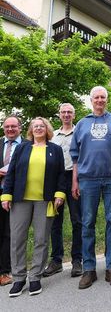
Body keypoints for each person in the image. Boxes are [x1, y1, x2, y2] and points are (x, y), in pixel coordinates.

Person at [1, 117, 65, 297]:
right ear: (30, 130)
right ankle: (19, 278)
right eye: (35, 126)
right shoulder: (22, 148)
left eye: (41, 126)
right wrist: (6, 195)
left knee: (41, 239)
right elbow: (11, 172)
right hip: (20, 200)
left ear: (47, 129)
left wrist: (60, 194)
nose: (38, 128)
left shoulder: (55, 150)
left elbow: (61, 174)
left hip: (44, 200)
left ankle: (35, 276)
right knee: (17, 239)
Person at [70, 86, 111, 289]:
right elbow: (75, 156)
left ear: (107, 100)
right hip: (87, 180)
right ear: (91, 100)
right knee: (87, 222)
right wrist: (75, 181)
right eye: (96, 97)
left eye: (103, 97)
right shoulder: (82, 124)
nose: (100, 100)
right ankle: (89, 269)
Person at [43, 103, 82, 278]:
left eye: (69, 112)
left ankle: (77, 260)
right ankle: (56, 260)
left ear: (73, 115)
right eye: (63, 112)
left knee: (77, 221)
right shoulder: (52, 137)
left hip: (74, 179)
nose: (66, 114)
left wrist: (77, 181)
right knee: (55, 221)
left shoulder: (79, 132)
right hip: (56, 181)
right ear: (59, 115)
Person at [0, 116, 23, 287]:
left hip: (17, 195)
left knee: (11, 233)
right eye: (7, 126)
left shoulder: (27, 146)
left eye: (13, 126)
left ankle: (7, 270)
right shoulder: (0, 143)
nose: (10, 129)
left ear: (20, 128)